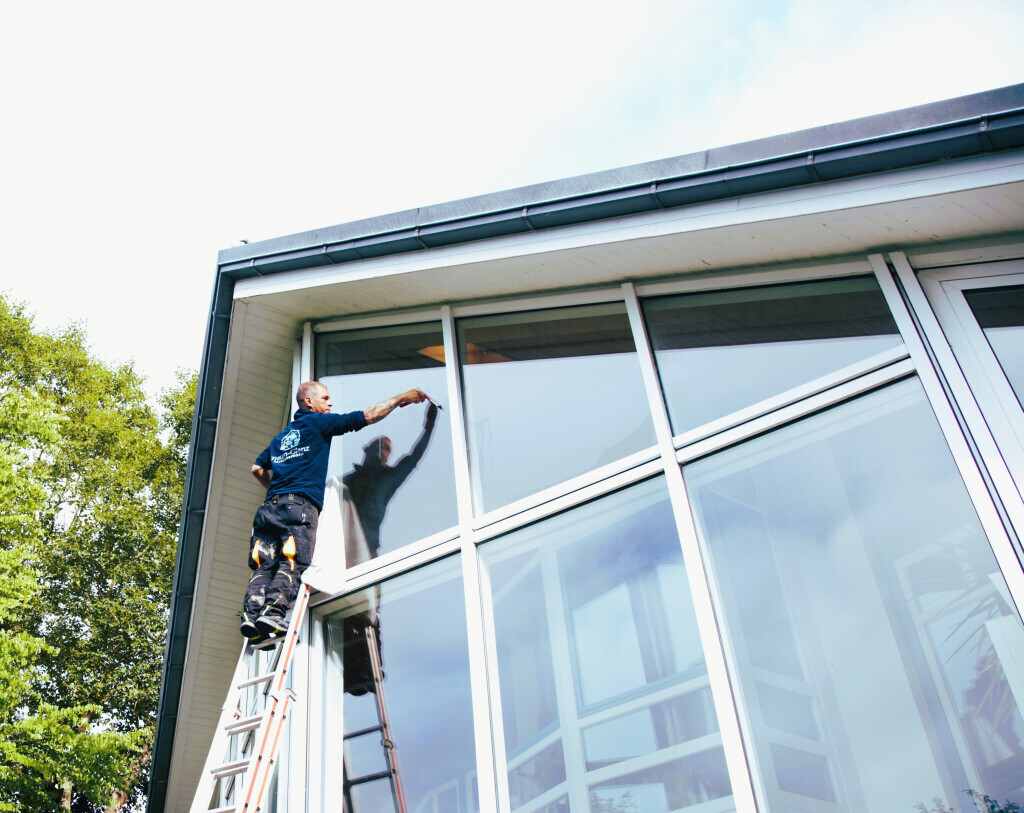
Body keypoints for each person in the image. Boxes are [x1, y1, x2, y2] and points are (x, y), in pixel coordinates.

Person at [240, 380, 427, 639]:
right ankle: (273, 612)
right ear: (309, 402)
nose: (330, 403)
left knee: (264, 565)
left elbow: (257, 469)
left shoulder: (281, 438)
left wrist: (278, 491)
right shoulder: (318, 424)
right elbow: (368, 416)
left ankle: (252, 615)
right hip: (299, 507)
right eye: (325, 398)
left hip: (268, 510)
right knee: (292, 560)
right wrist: (401, 398)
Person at [343, 401, 438, 558]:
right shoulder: (346, 481)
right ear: (367, 449)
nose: (382, 448)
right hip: (343, 542)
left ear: (387, 459)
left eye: (386, 448)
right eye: (378, 444)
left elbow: (414, 456)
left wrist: (429, 426)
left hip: (367, 546)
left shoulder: (388, 479)